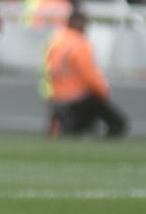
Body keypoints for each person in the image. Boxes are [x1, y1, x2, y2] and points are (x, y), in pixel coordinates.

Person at [43, 10, 129, 138]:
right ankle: (69, 126)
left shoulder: (55, 40)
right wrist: (103, 92)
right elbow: (90, 76)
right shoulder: (79, 44)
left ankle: (60, 122)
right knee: (118, 124)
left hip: (56, 96)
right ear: (79, 23)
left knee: (82, 118)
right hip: (77, 97)